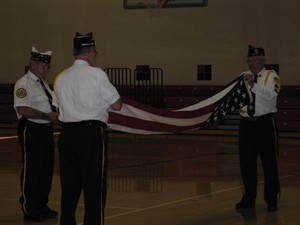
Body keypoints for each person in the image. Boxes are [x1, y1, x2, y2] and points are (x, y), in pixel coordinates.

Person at [54, 32, 122, 225]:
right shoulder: (97, 74)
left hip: (66, 134)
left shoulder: (61, 77)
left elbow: (58, 107)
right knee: (93, 185)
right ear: (91, 53)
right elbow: (117, 105)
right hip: (91, 134)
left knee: (69, 186)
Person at [14, 47, 59, 221]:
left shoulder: (44, 84)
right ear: (33, 64)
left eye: (48, 67)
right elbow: (22, 109)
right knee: (32, 169)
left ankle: (41, 204)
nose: (46, 70)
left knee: (46, 170)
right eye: (43, 66)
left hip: (46, 130)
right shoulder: (23, 83)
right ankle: (29, 206)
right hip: (31, 129)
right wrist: (46, 116)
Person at [236, 45, 281, 212]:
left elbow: (272, 94)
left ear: (262, 61)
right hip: (246, 124)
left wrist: (253, 84)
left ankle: (271, 199)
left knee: (269, 162)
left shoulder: (272, 76)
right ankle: (248, 199)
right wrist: (238, 106)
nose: (251, 63)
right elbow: (237, 95)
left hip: (264, 124)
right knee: (246, 164)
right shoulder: (242, 75)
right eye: (249, 60)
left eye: (254, 60)